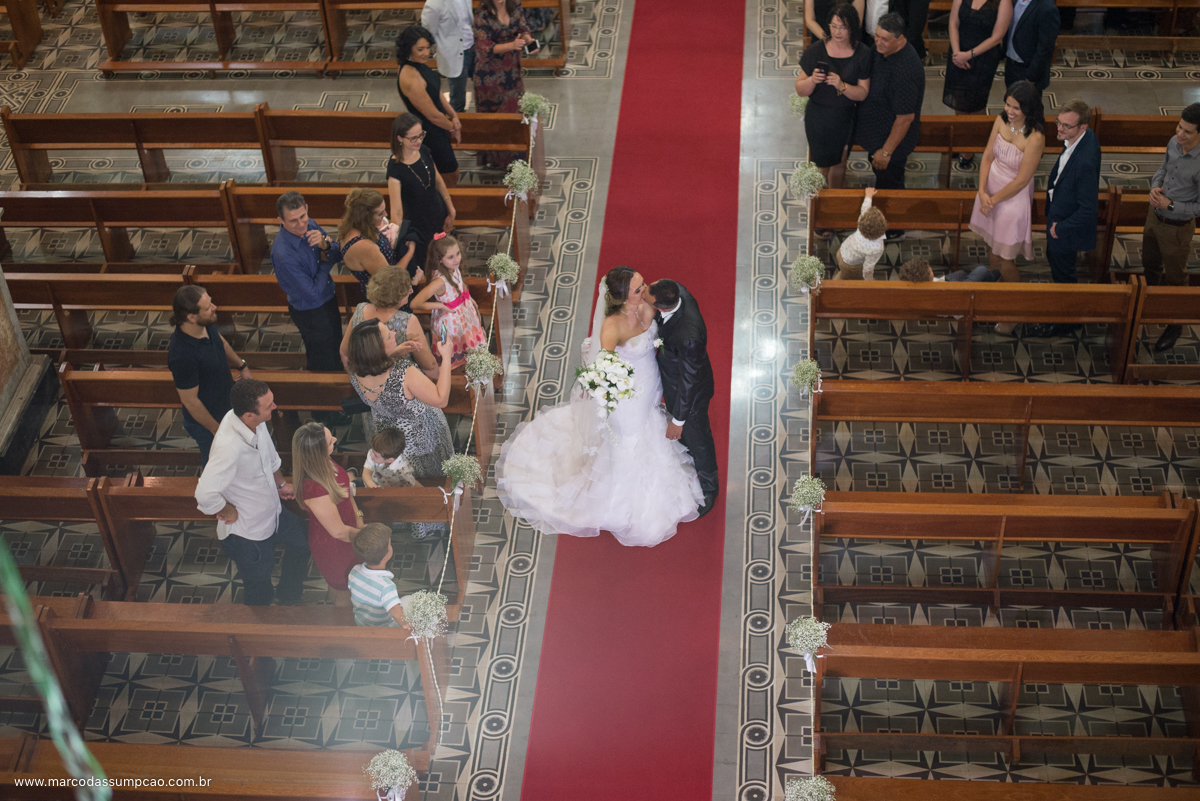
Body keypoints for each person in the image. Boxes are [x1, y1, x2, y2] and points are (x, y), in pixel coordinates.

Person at [495, 267, 705, 546]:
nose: (645, 290)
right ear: (621, 297)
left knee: (649, 426)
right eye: (638, 288)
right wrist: (611, 388)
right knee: (628, 437)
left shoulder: (647, 303)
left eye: (643, 284)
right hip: (626, 394)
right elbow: (603, 366)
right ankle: (621, 500)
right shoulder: (612, 326)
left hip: (650, 382)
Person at [194, 379, 310, 606]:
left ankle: (289, 594)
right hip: (249, 533)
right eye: (269, 406)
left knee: (303, 541)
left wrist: (280, 485)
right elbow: (205, 494)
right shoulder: (229, 447)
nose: (275, 407)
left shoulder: (254, 421)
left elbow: (269, 454)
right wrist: (227, 510)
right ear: (249, 415)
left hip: (274, 512)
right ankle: (261, 626)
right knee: (258, 583)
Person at [270, 191, 351, 427]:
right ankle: (322, 410)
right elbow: (312, 293)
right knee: (320, 359)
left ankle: (337, 394)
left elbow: (336, 253)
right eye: (293, 220)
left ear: (306, 208)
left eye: (303, 216)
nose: (301, 224)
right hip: (311, 312)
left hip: (327, 299)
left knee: (334, 349)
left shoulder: (311, 225)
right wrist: (325, 263)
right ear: (280, 221)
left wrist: (326, 244)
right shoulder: (284, 254)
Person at [1025, 99, 1102, 338]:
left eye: (1066, 126)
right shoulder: (1080, 140)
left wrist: (1060, 228)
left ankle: (1066, 321)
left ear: (1083, 127)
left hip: (1066, 228)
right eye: (1058, 122)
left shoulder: (1085, 160)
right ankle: (1067, 312)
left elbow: (1089, 209)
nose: (1059, 129)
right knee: (1058, 265)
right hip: (1060, 215)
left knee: (1064, 273)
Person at [347, 320, 456, 478]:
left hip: (389, 442)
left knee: (404, 480)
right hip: (423, 439)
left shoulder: (355, 371)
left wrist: (393, 353)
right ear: (378, 349)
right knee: (434, 478)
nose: (394, 333)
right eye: (388, 336)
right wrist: (446, 357)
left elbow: (377, 373)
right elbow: (441, 399)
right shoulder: (404, 372)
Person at [648, 278, 719, 517]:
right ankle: (685, 453)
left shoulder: (689, 335)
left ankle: (710, 488)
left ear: (662, 307)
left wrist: (678, 421)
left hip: (691, 394)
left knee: (699, 439)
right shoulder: (678, 290)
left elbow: (689, 382)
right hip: (672, 375)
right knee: (690, 441)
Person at [968, 81, 1045, 300]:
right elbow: (987, 156)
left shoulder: (1036, 137)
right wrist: (982, 191)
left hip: (1011, 200)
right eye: (1008, 105)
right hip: (990, 190)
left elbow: (1021, 181)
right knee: (992, 248)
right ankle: (996, 292)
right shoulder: (1002, 120)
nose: (1009, 111)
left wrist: (991, 200)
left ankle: (1014, 302)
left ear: (1028, 109)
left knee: (1004, 258)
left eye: (1016, 108)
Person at [167, 285, 251, 464]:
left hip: (226, 406)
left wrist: (241, 365)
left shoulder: (205, 325)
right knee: (217, 464)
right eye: (207, 307)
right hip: (208, 423)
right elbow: (190, 401)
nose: (214, 307)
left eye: (210, 302)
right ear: (191, 317)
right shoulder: (182, 355)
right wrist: (217, 429)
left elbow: (219, 341)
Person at [1142, 103, 1200, 353]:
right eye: (1179, 126)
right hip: (1154, 216)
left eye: (1187, 131)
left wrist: (1172, 205)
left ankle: (1175, 324)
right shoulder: (1173, 143)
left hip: (1177, 227)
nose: (1180, 134)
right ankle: (1148, 302)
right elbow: (1163, 169)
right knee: (1149, 262)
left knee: (1176, 277)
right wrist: (1155, 187)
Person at [796, 3, 872, 191]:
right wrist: (812, 80)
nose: (837, 32)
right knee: (821, 165)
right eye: (834, 26)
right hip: (818, 117)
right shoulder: (816, 50)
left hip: (845, 117)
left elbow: (862, 93)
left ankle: (835, 199)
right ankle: (819, 204)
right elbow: (800, 89)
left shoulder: (862, 53)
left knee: (839, 163)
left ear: (853, 27)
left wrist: (842, 86)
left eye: (843, 27)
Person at [855, 13, 925, 197]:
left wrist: (886, 152)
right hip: (876, 132)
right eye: (877, 36)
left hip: (890, 144)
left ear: (901, 39)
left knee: (890, 188)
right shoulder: (881, 50)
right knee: (881, 178)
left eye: (884, 39)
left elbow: (905, 118)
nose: (878, 42)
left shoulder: (905, 71)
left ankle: (892, 224)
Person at [292, 422, 361, 607]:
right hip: (335, 546)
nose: (336, 441)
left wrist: (360, 519)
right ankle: (344, 630)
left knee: (353, 584)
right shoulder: (315, 488)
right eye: (331, 441)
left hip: (351, 531)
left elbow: (347, 493)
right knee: (342, 589)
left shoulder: (323, 462)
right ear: (318, 452)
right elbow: (338, 532)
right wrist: (367, 537)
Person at [944, 0, 1014, 169]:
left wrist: (969, 55)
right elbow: (953, 23)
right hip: (958, 54)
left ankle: (971, 146)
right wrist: (957, 53)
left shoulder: (1003, 2)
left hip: (983, 58)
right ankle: (961, 140)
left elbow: (997, 37)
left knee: (975, 104)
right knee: (958, 99)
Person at [387, 113, 457, 272]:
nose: (419, 141)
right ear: (400, 138)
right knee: (431, 264)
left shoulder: (424, 150)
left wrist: (450, 208)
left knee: (446, 253)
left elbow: (437, 179)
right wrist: (396, 243)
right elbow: (397, 212)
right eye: (413, 138)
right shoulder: (395, 170)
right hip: (420, 225)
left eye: (421, 135)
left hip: (439, 212)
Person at [339, 265, 437, 378]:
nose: (411, 290)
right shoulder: (408, 320)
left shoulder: (360, 309)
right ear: (395, 295)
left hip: (366, 379)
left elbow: (344, 352)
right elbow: (429, 365)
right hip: (399, 383)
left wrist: (360, 382)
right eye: (407, 287)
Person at [395, 25, 461, 186]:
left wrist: (454, 114)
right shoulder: (409, 76)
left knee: (448, 173)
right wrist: (453, 127)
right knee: (449, 175)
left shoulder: (419, 64)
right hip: (430, 133)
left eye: (427, 48)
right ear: (408, 50)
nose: (426, 53)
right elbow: (432, 115)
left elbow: (435, 92)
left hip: (440, 126)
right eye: (420, 49)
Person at [411, 233, 487, 368]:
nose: (456, 259)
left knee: (470, 348)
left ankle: (471, 372)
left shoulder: (453, 268)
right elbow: (415, 303)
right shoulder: (440, 281)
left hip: (464, 315)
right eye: (450, 257)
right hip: (451, 322)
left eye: (458, 253)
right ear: (440, 259)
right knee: (455, 357)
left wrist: (468, 297)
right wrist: (440, 305)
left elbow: (460, 283)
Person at [473, 0, 533, 169]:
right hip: (489, 76)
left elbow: (522, 27)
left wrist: (528, 39)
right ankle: (498, 159)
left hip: (511, 70)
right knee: (496, 118)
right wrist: (512, 45)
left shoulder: (515, 4)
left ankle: (516, 156)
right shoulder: (482, 14)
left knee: (515, 112)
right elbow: (486, 48)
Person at [339, 187, 416, 301]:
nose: (386, 214)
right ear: (366, 218)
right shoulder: (364, 246)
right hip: (385, 299)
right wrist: (410, 253)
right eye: (380, 214)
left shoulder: (358, 227)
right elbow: (391, 279)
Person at [347, 523, 413, 629]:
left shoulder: (354, 571)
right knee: (411, 600)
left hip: (361, 622)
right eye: (390, 544)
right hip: (385, 627)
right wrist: (410, 627)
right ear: (384, 557)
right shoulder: (386, 587)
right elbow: (396, 614)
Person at [421, 0, 475, 113]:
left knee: (484, 88)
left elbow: (469, 22)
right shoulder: (433, 4)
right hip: (454, 55)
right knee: (457, 98)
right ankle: (457, 125)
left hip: (474, 49)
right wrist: (444, 50)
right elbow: (428, 34)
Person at [1003, 0, 1058, 93]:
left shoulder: (1047, 8)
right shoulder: (1015, 1)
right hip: (1011, 65)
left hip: (1027, 70)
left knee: (1028, 106)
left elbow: (1045, 48)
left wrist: (1032, 76)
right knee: (1011, 102)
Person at [833, 187, 888, 279]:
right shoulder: (877, 248)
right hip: (851, 266)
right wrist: (868, 281)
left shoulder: (861, 222)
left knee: (843, 272)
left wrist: (868, 196)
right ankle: (832, 289)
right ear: (883, 227)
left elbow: (865, 208)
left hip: (841, 252)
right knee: (844, 276)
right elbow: (868, 268)